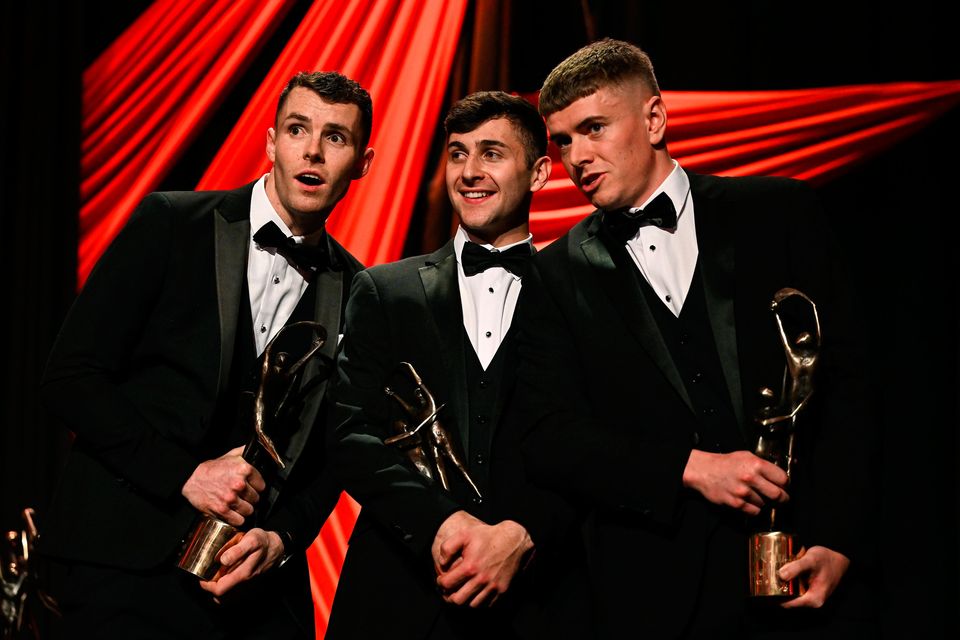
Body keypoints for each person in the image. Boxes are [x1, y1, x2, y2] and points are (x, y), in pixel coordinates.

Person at [512, 39, 875, 638]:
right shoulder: (554, 276)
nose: (578, 156)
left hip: (806, 571)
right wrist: (688, 467)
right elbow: (552, 438)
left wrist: (841, 539)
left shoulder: (778, 214)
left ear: (654, 118)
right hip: (653, 597)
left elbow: (849, 384)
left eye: (594, 128)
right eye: (564, 140)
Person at [39, 70, 373, 638]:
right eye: (298, 129)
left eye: (336, 137)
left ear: (362, 163)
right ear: (271, 143)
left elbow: (335, 450)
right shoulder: (170, 223)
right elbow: (70, 378)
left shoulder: (362, 291)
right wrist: (185, 476)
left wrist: (284, 537)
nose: (312, 150)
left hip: (248, 581)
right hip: (121, 559)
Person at [325, 91, 578, 639]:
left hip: (535, 606)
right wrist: (438, 522)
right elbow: (345, 433)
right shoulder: (385, 291)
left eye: (491, 153)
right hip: (397, 599)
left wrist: (525, 532)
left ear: (538, 172)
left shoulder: (578, 297)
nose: (469, 172)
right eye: (458, 153)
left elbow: (593, 446)